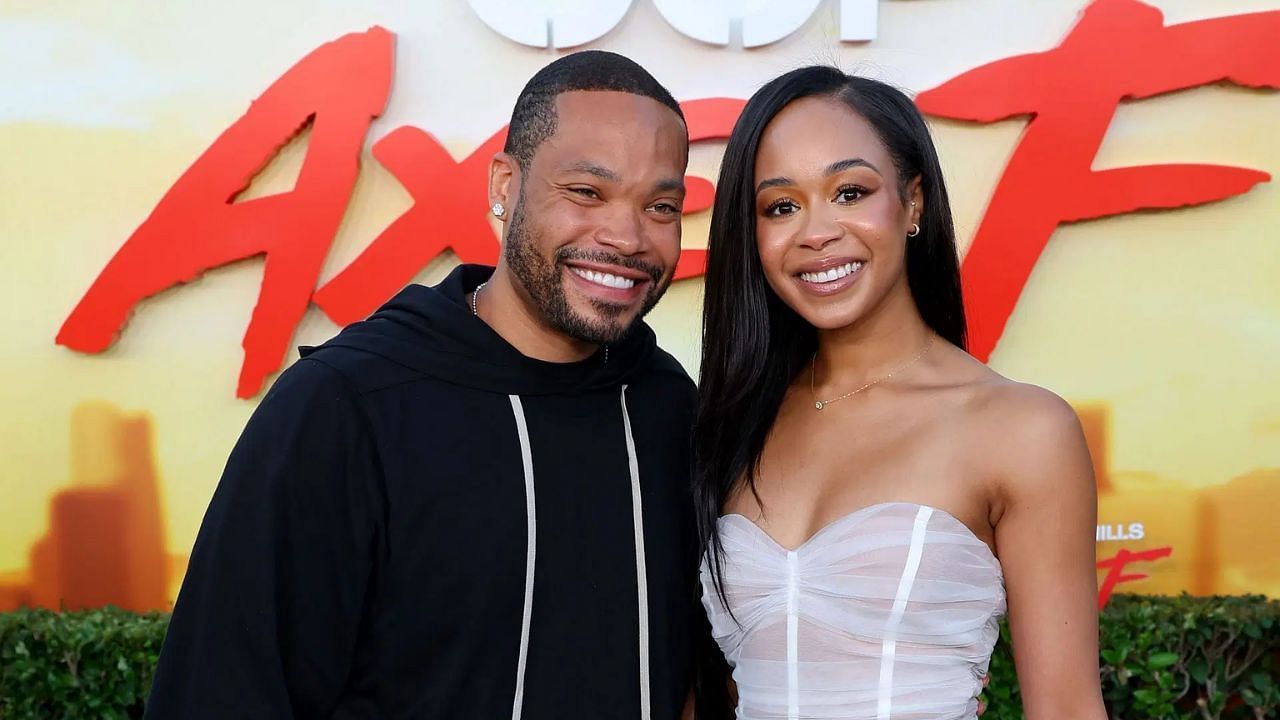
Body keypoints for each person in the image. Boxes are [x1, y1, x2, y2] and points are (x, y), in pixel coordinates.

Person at [146, 51, 700, 719]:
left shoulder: (668, 407)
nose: (626, 236)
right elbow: (221, 689)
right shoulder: (344, 408)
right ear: (504, 184)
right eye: (586, 192)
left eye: (661, 205)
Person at [692, 66, 1107, 719]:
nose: (816, 232)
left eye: (850, 192)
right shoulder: (728, 424)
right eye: (781, 205)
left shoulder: (1020, 428)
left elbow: (1066, 709)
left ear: (912, 203)